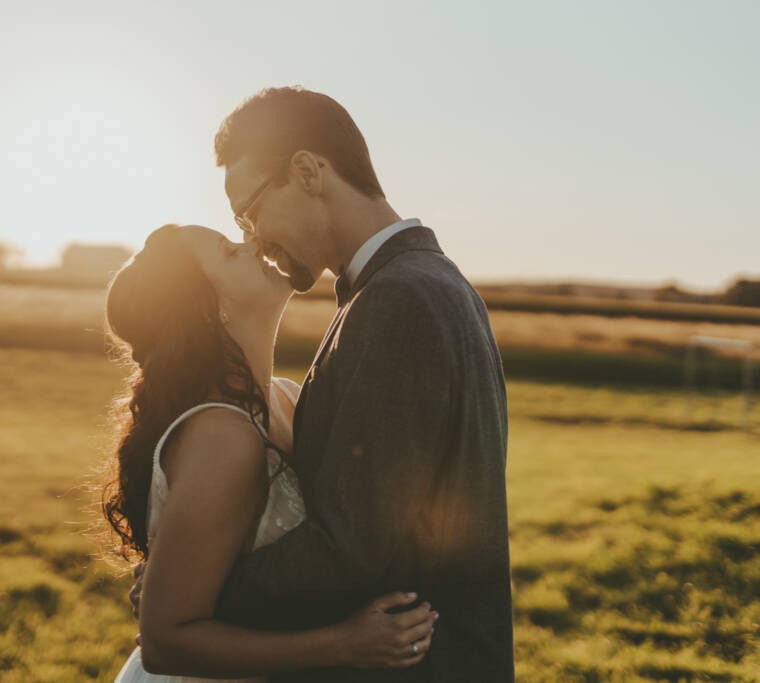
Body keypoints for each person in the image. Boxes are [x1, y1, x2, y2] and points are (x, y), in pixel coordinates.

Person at [132, 87, 514, 681]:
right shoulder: (417, 285)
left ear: (308, 172)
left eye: (249, 210)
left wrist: (193, 595)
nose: (255, 236)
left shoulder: (399, 299)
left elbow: (350, 550)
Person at [105, 223, 437, 682]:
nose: (253, 244)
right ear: (207, 311)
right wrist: (348, 643)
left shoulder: (288, 400)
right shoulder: (221, 436)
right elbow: (164, 642)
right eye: (228, 250)